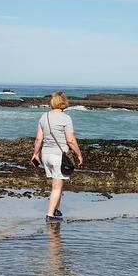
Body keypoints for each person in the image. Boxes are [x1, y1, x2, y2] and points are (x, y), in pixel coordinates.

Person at [31, 91, 83, 221]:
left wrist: (35, 154)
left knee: (57, 183)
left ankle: (56, 209)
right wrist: (79, 154)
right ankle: (50, 215)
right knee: (57, 186)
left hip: (46, 155)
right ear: (64, 102)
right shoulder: (66, 118)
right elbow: (70, 140)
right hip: (59, 156)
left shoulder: (44, 117)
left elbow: (38, 139)